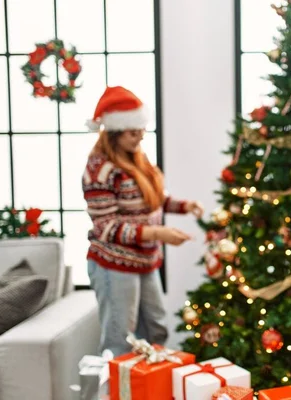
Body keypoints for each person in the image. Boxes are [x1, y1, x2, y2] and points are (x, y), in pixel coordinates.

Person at [82, 86, 204, 356]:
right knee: (121, 341)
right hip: (114, 264)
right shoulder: (99, 170)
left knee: (156, 329)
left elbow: (154, 200)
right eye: (132, 131)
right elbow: (107, 227)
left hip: (145, 261)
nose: (140, 136)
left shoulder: (137, 159)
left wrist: (185, 207)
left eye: (141, 129)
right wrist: (158, 233)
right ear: (114, 132)